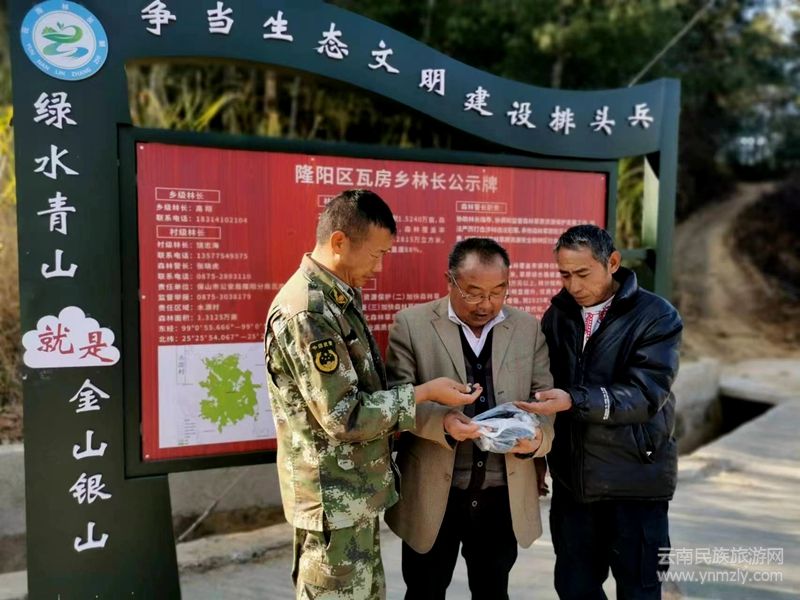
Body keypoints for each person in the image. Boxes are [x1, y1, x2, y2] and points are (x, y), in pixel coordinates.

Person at [264, 189, 480, 600]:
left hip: (353, 499)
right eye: (375, 255)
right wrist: (422, 393)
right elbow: (343, 415)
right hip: (332, 507)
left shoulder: (336, 297)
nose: (379, 267)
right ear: (339, 241)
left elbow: (363, 391)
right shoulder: (309, 312)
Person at [385, 237, 555, 600]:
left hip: (502, 492)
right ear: (450, 281)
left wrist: (537, 439)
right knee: (424, 590)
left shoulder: (527, 328)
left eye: (498, 291)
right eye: (474, 293)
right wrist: (443, 422)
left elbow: (544, 400)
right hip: (434, 491)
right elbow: (398, 400)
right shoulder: (413, 325)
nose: (487, 304)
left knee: (493, 591)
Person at [522, 224, 682, 600]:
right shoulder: (559, 314)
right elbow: (544, 386)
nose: (573, 285)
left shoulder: (656, 316)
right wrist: (539, 453)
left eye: (582, 273)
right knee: (574, 589)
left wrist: (574, 400)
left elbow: (645, 394)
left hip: (635, 482)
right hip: (573, 486)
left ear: (612, 263)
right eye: (564, 274)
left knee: (639, 590)